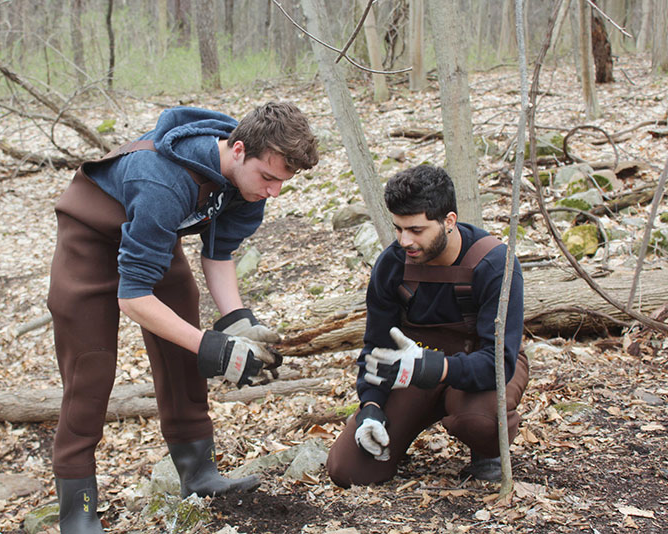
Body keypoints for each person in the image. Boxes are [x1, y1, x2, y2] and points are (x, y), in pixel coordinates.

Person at [46, 102, 319, 533]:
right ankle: (77, 512)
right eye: (268, 178)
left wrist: (237, 321)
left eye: (283, 182)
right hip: (91, 237)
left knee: (181, 349)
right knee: (91, 370)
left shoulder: (249, 182)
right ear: (238, 150)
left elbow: (219, 251)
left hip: (154, 236)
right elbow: (133, 298)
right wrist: (213, 347)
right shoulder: (161, 179)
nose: (274, 192)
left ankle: (200, 474)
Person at [326, 165, 529, 487]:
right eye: (399, 229)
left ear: (448, 221)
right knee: (348, 470)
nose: (405, 240)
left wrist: (435, 366)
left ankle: (487, 450)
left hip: (479, 368)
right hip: (414, 371)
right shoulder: (392, 265)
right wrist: (371, 406)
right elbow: (376, 347)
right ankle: (399, 430)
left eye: (417, 230)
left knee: (478, 421)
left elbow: (499, 363)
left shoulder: (495, 264)